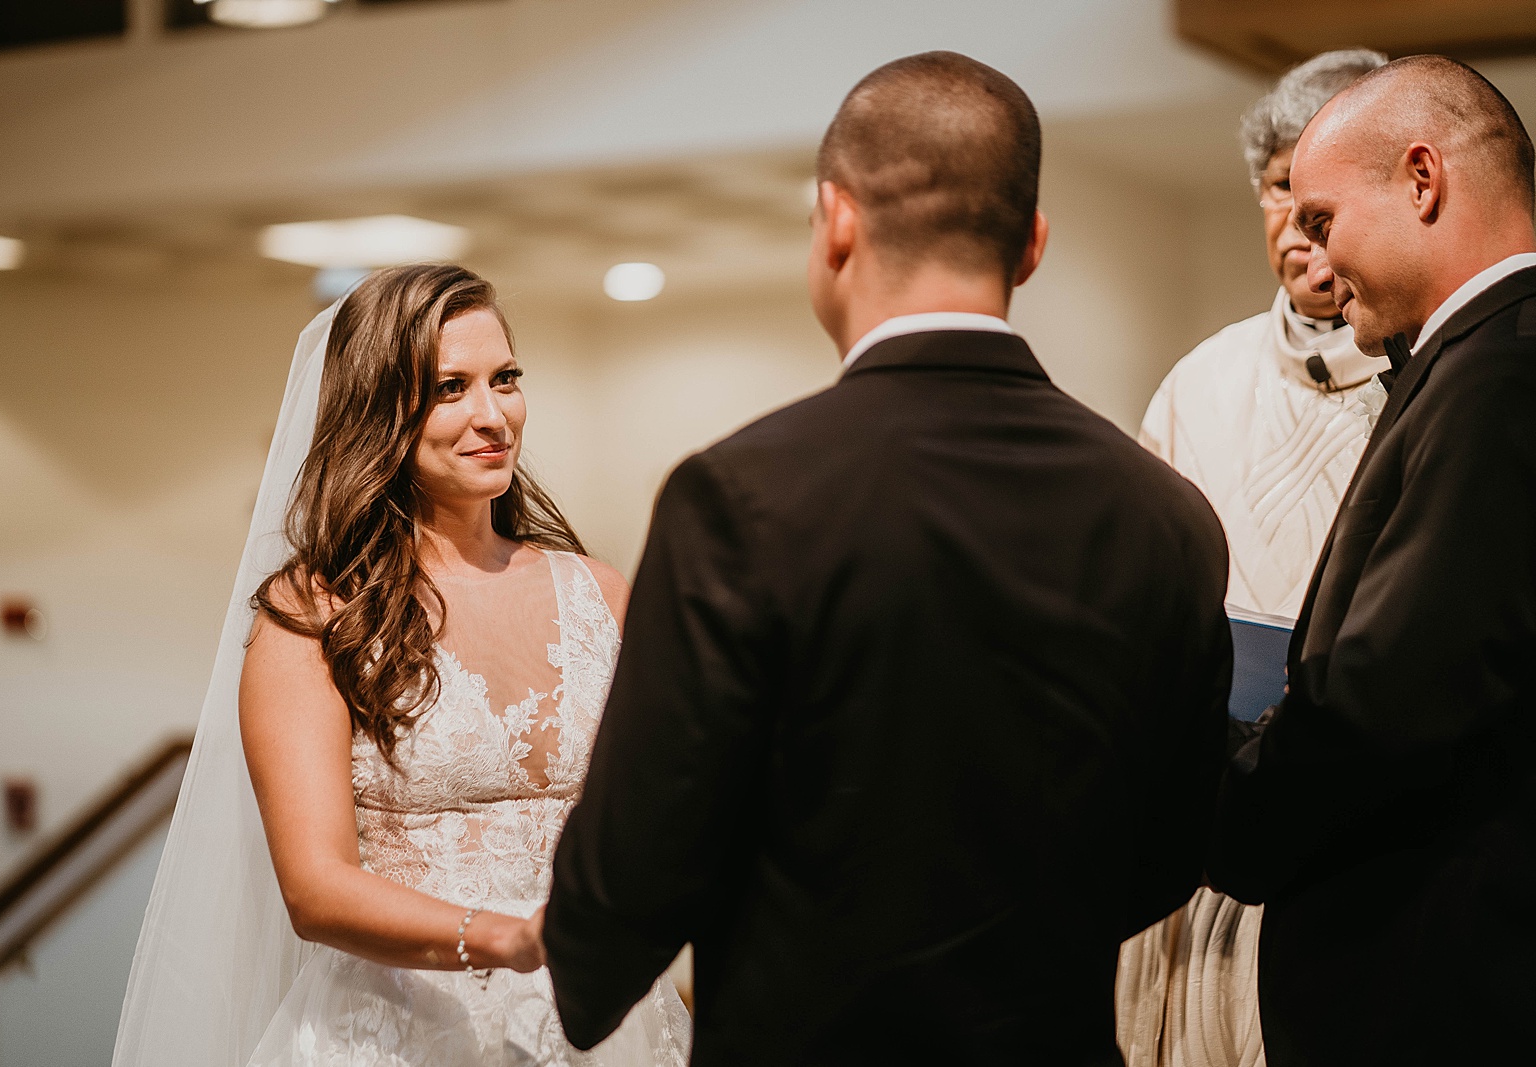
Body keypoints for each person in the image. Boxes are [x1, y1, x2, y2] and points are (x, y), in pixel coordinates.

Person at [541, 52, 1233, 1066]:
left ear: (835, 221)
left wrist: (591, 963)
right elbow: (1177, 842)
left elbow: (634, 866)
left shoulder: (739, 497)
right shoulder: (1166, 514)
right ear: (1031, 245)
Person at [113, 265, 690, 1066]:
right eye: (450, 388)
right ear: (381, 412)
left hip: (603, 1024)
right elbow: (314, 887)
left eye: (506, 379)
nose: (493, 415)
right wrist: (508, 938)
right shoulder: (315, 615)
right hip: (406, 1030)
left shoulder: (599, 593)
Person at [1211, 55, 1536, 1066]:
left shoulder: (1500, 374)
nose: (1304, 251)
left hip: (1441, 983)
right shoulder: (1473, 358)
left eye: (1319, 217)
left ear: (1422, 179)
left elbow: (1386, 696)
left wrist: (1215, 801)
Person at [1117, 49, 1388, 1067]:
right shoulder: (1200, 380)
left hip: (1351, 832)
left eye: (1322, 195)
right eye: (1278, 187)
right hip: (1202, 824)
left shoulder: (1437, 377)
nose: (1297, 222)